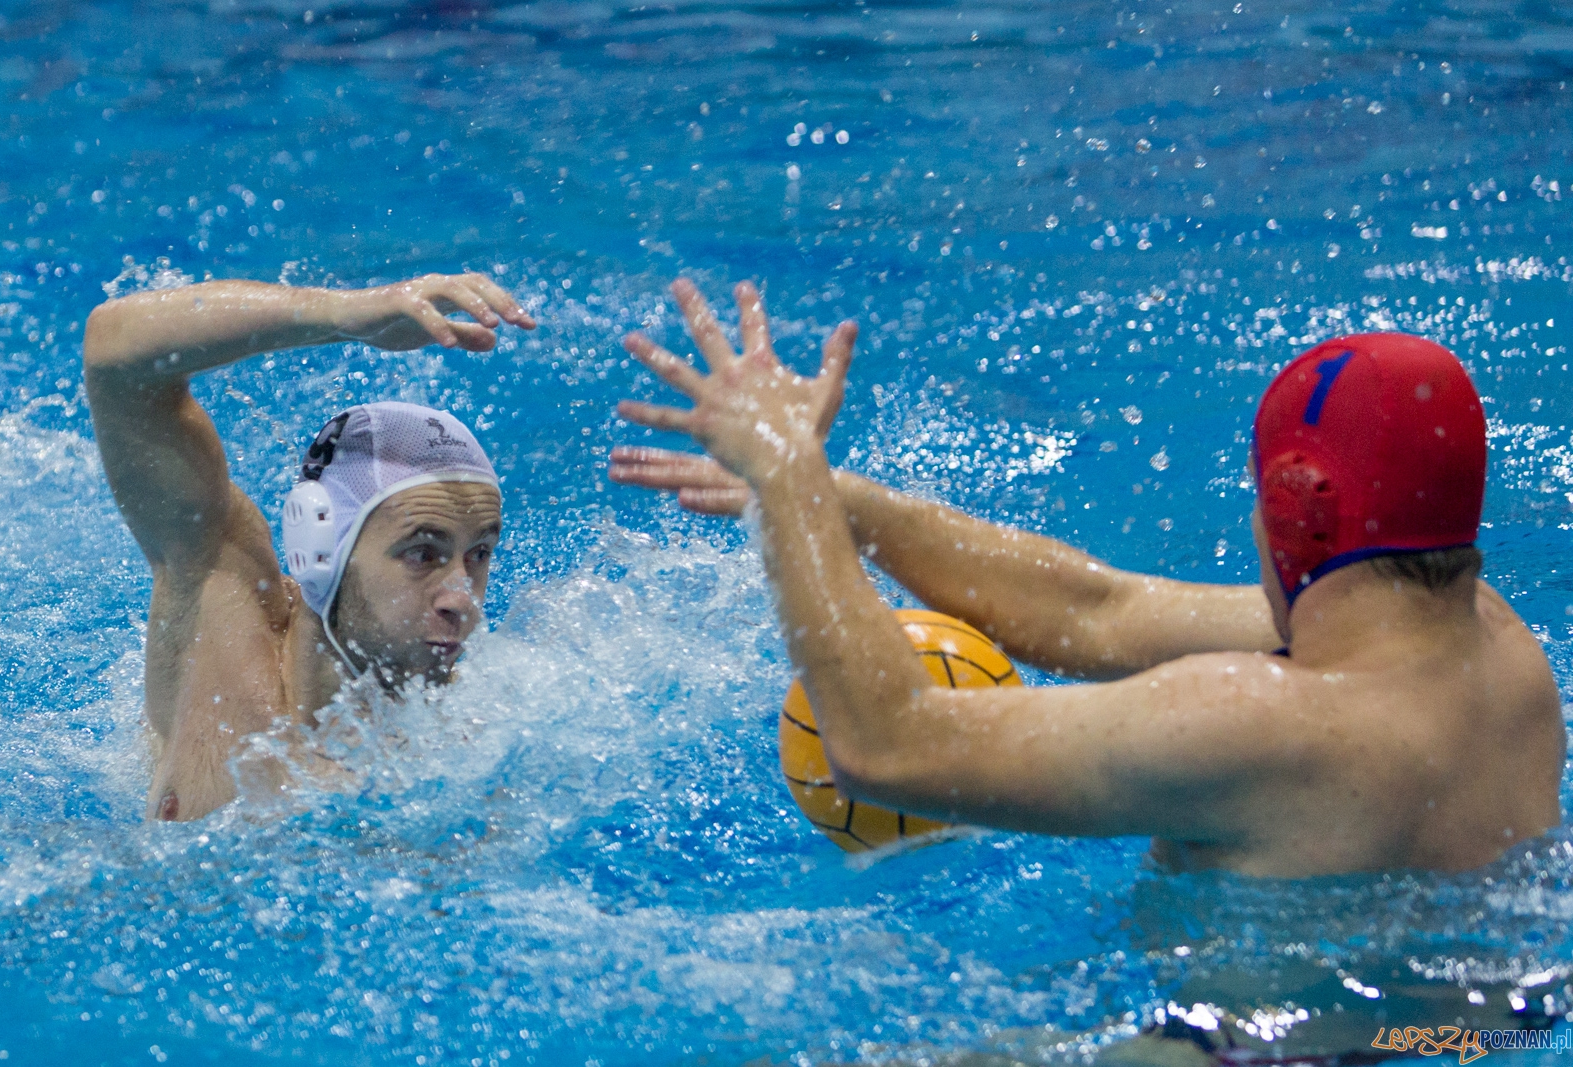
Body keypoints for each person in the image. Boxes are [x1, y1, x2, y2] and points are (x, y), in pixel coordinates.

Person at [610, 277, 1564, 878]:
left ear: (1298, 509)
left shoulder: (1259, 726)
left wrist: (785, 477)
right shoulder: (1495, 641)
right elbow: (1099, 612)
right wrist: (839, 500)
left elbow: (887, 743)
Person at [83, 271, 535, 822]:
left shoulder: (475, 747)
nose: (462, 599)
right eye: (422, 554)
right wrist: (342, 314)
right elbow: (115, 354)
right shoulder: (218, 604)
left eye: (479, 554)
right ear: (321, 548)